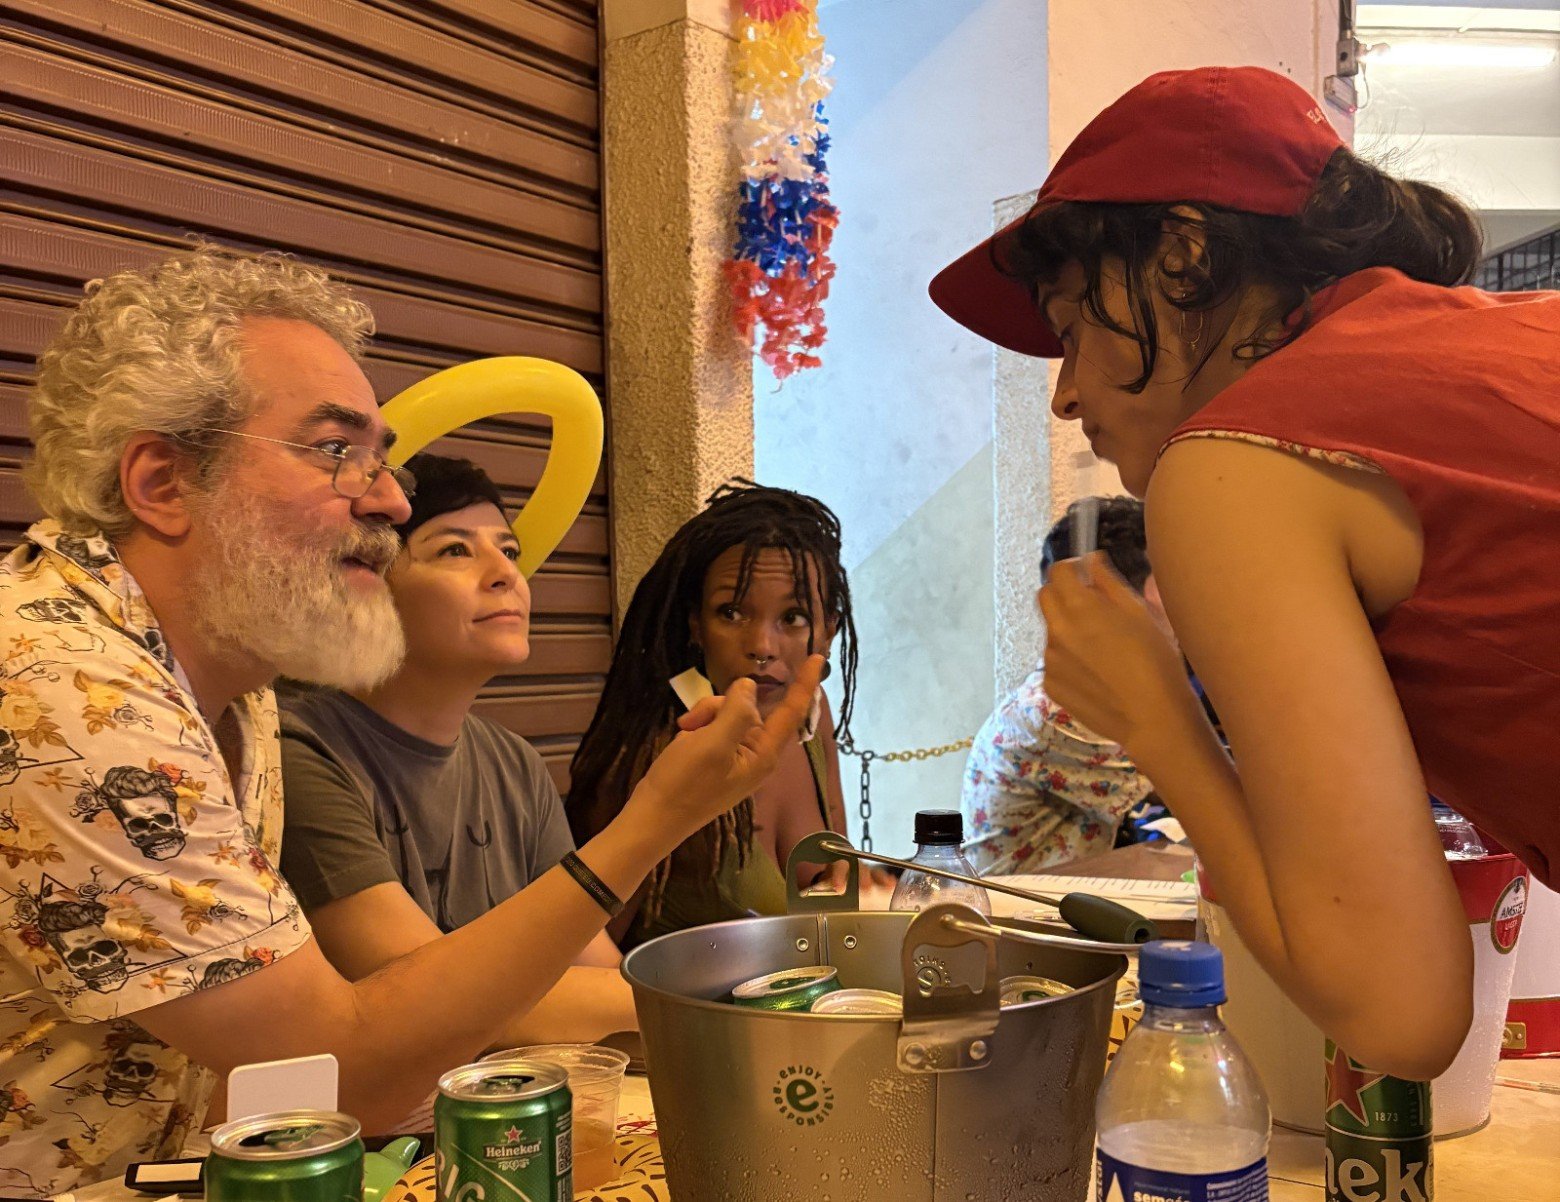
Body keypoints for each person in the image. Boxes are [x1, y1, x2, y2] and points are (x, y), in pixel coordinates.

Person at [0, 246, 819, 1193]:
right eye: (335, 449)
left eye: (380, 457)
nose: (389, 499)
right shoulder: (64, 692)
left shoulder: (237, 690)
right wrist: (655, 822)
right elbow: (335, 1070)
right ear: (163, 484)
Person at [930, 65, 1559, 1080]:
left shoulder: (1238, 456)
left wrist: (1157, 716)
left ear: (1184, 250)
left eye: (1070, 326)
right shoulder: (1484, 341)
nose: (1067, 391)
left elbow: (1400, 1013)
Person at [278, 453, 633, 1046]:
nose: (505, 575)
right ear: (365, 582)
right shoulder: (300, 749)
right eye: (455, 550)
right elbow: (422, 1001)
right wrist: (667, 810)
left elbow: (590, 964)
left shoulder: (514, 763)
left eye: (510, 552)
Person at [568, 482, 861, 949]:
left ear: (828, 632)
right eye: (731, 612)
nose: (762, 647)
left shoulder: (811, 721)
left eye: (793, 618)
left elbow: (842, 886)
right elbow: (578, 953)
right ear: (695, 627)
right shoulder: (660, 751)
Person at [963, 497, 1163, 872]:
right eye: (1165, 585)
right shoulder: (1057, 709)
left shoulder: (1084, 694)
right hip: (1016, 923)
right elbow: (1194, 784)